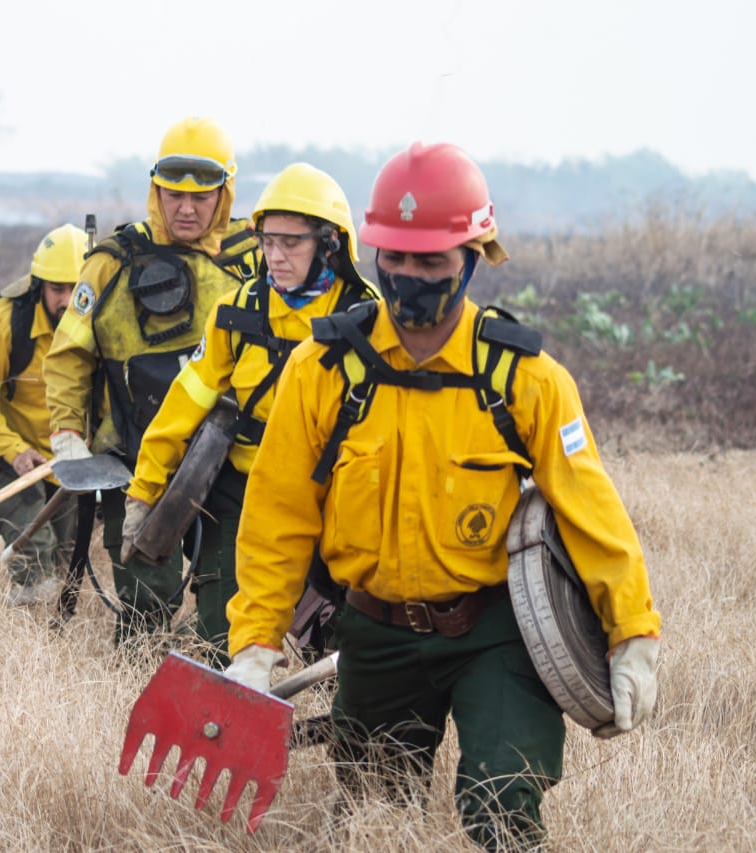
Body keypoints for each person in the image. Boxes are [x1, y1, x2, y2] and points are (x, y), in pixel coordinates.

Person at [222, 142, 662, 849]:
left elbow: (591, 510)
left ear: (474, 255)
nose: (409, 277)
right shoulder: (320, 369)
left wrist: (632, 632)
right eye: (395, 259)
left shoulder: (527, 378)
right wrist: (254, 642)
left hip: (495, 632)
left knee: (501, 804)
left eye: (430, 261)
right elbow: (277, 516)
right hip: (374, 634)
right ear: (371, 255)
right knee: (374, 814)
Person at [122, 163, 376, 662]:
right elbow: (182, 407)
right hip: (241, 492)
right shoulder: (236, 312)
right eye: (267, 241)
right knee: (224, 638)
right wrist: (144, 492)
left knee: (344, 649)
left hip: (337, 497)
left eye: (291, 243)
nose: (274, 256)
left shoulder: (368, 322)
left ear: (329, 244)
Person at [43, 116, 260, 644]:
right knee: (144, 600)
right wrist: (67, 434)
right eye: (173, 195)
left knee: (226, 600)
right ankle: (133, 678)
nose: (186, 209)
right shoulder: (110, 264)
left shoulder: (256, 264)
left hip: (226, 462)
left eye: (201, 197)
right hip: (130, 459)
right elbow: (69, 353)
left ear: (224, 194)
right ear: (155, 191)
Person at [0, 224, 88, 606]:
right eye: (57, 289)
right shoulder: (4, 322)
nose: (66, 301)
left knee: (66, 555)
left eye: (76, 289)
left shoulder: (96, 322)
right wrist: (14, 450)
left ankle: (57, 635)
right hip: (9, 451)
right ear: (39, 286)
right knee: (33, 545)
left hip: (68, 453)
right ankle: (24, 635)